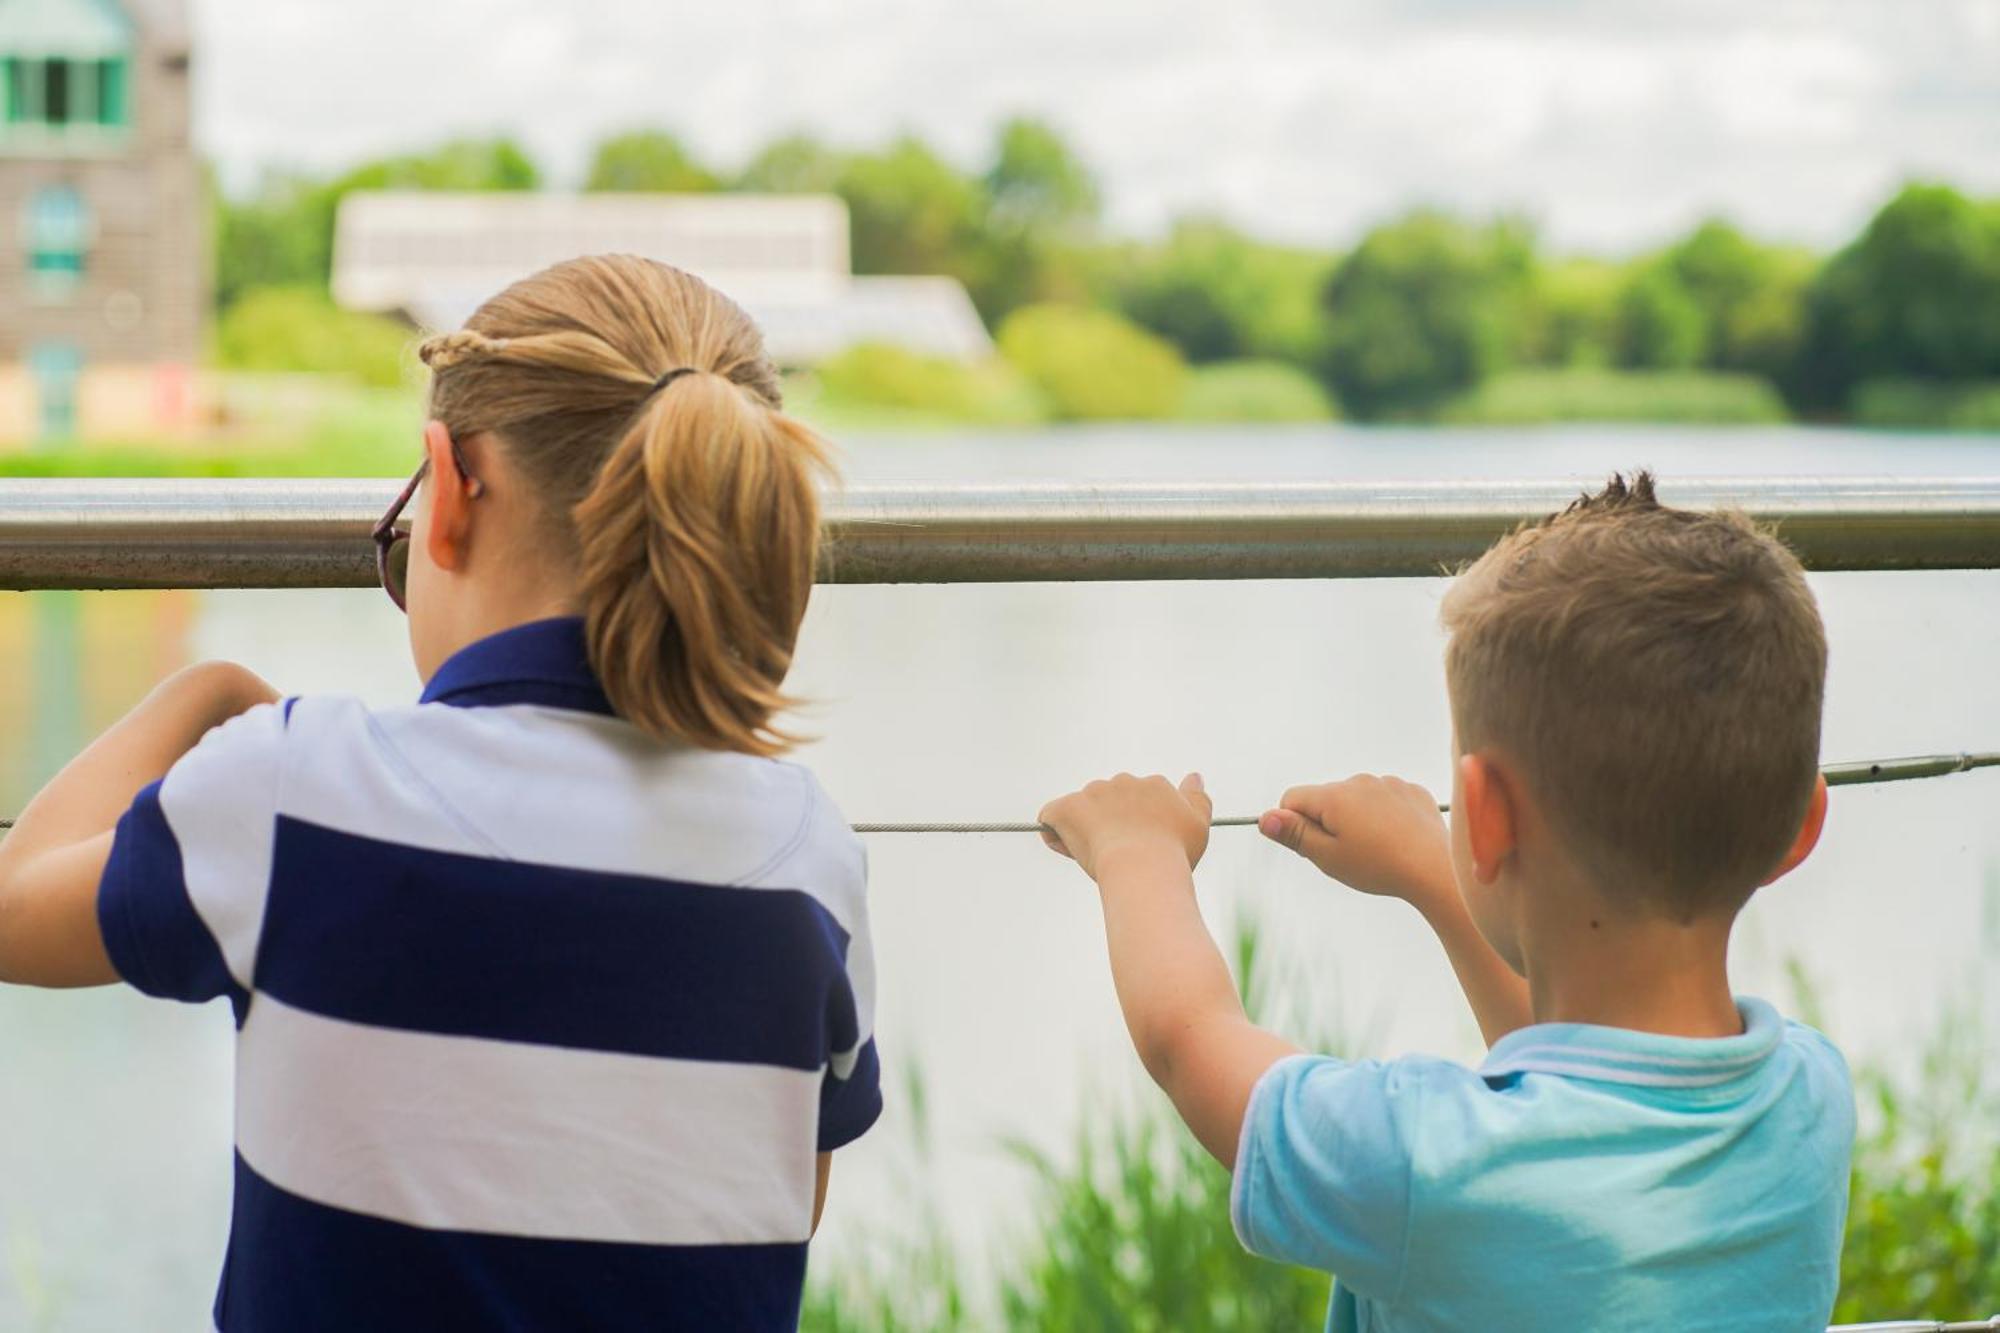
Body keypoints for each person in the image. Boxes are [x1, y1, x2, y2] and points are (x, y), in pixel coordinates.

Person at [0, 255, 880, 1332]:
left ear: (451, 490)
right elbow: (785, 1206)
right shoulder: (806, 855)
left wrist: (207, 694)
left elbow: (14, 914)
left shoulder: (296, 789)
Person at [1038, 473, 1854, 1332]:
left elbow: (1190, 1041)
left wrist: (1138, 852)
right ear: (1801, 826)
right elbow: (1581, 1084)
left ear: (1489, 815)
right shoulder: (1810, 1097)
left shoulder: (1424, 1162)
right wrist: (1439, 870)